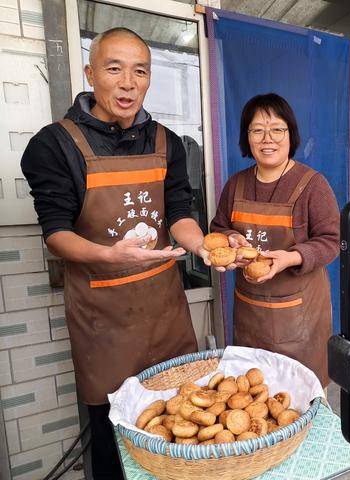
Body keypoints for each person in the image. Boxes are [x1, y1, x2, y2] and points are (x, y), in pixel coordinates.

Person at [21, 28, 210, 479]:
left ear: (149, 80)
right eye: (114, 68)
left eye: (140, 71)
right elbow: (56, 234)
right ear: (90, 74)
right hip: (102, 321)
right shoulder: (54, 144)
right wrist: (112, 256)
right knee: (112, 439)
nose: (128, 82)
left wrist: (202, 245)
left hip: (164, 310)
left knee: (178, 426)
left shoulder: (167, 142)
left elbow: (178, 214)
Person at [211, 93, 339, 388]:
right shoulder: (236, 184)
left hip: (299, 316)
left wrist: (291, 257)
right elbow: (219, 226)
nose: (267, 138)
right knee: (252, 393)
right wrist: (231, 240)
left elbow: (331, 241)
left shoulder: (312, 185)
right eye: (257, 130)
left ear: (290, 134)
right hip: (250, 311)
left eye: (277, 129)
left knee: (297, 397)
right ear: (247, 137)